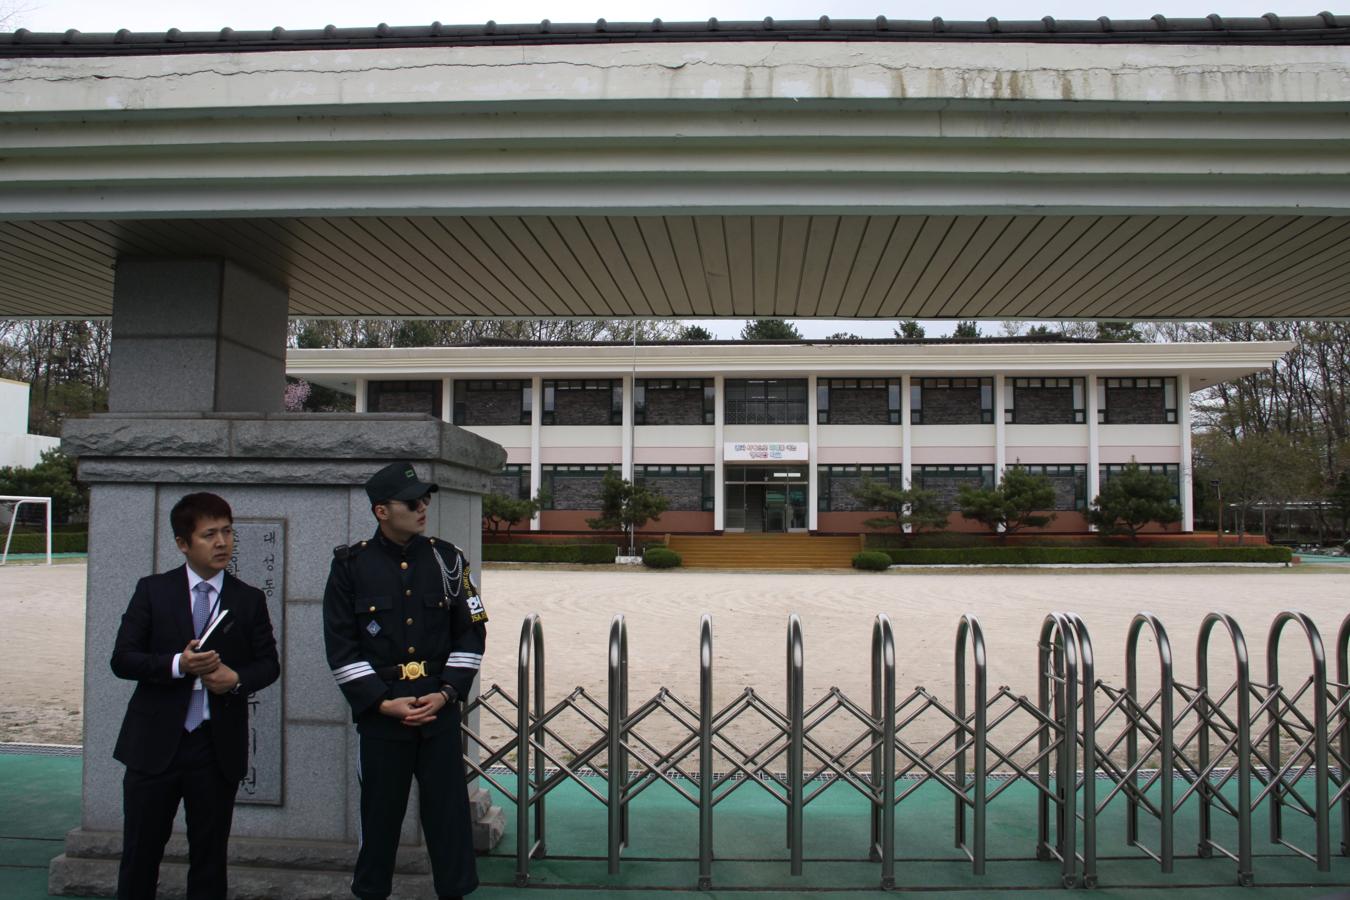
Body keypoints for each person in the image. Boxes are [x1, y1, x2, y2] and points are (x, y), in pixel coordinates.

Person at [324, 461, 488, 900]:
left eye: (426, 500)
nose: (423, 508)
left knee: (449, 817)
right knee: (379, 817)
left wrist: (448, 692)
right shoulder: (350, 566)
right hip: (383, 715)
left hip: (439, 707)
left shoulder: (449, 560)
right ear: (382, 511)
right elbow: (341, 648)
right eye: (412, 502)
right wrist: (380, 702)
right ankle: (371, 891)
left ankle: (455, 891)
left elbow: (472, 631)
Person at [110, 492, 281, 900]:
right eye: (209, 535)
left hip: (215, 747)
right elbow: (123, 659)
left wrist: (234, 678)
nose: (222, 542)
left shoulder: (248, 598)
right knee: (140, 852)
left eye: (227, 532)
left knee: (209, 856)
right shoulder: (153, 591)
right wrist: (176, 665)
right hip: (154, 747)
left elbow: (268, 665)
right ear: (183, 543)